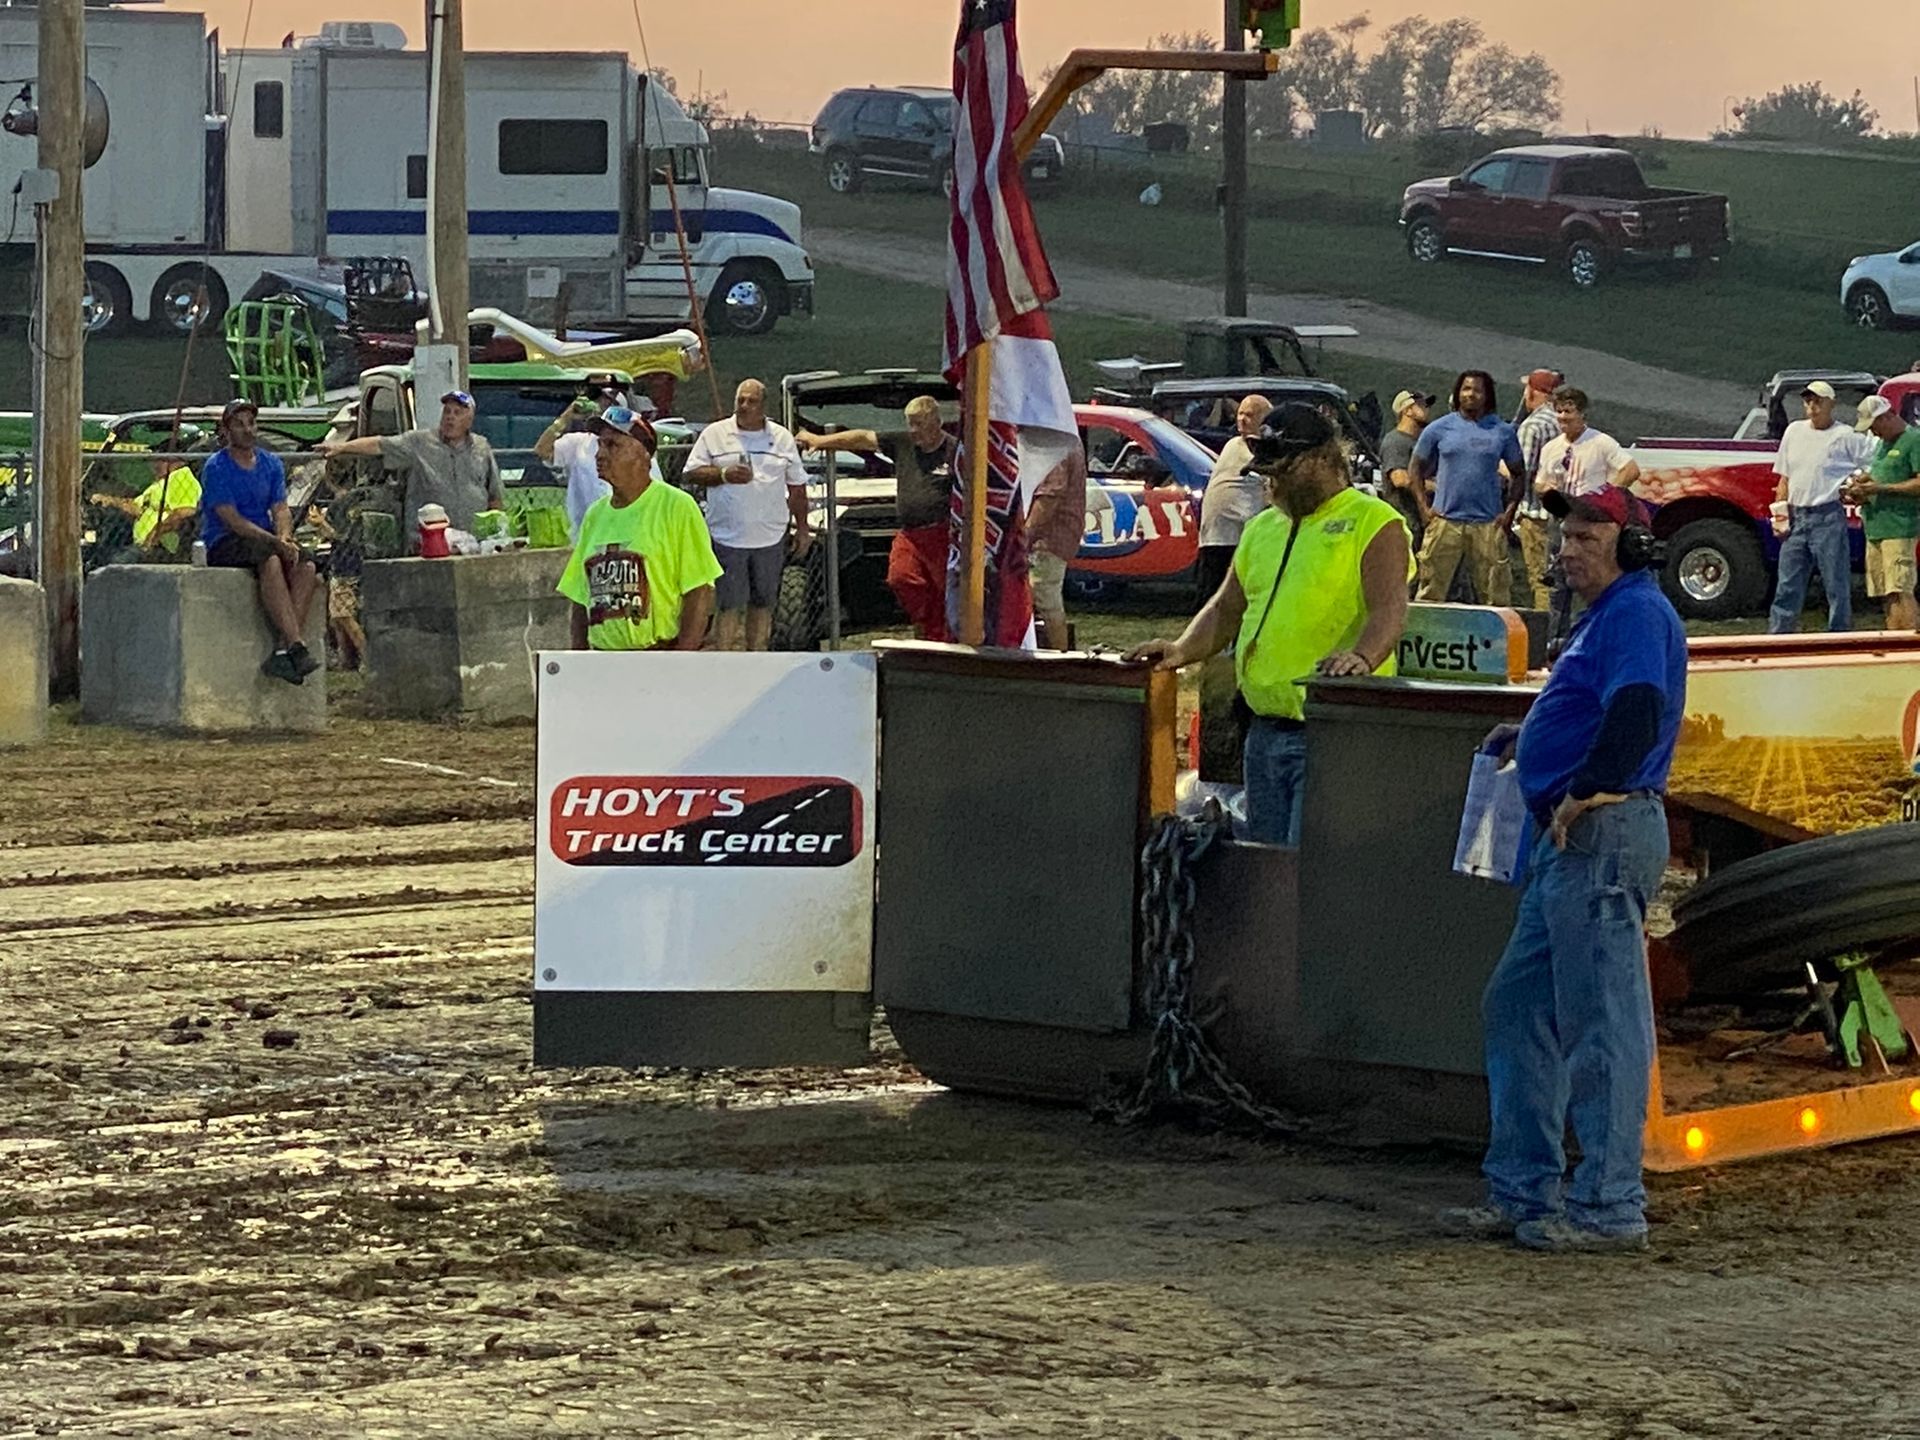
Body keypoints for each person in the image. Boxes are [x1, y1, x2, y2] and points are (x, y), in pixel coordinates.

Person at [1451, 484, 1685, 1254]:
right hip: (1572, 839)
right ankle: (1524, 1189)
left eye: (1588, 536)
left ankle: (1608, 1206)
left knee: (1602, 1024)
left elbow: (1637, 709)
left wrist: (1587, 785)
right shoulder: (1608, 617)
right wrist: (1535, 733)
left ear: (1633, 547)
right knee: (1517, 1006)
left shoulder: (1636, 613)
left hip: (1598, 835)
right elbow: (1601, 705)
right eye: (1567, 535)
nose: (1568, 548)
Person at [1126, 405, 1412, 846]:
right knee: (1265, 860)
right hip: (1262, 731)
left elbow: (1389, 608)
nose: (1271, 483)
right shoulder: (1262, 528)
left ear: (1323, 459)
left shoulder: (1375, 522)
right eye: (1265, 473)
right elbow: (1226, 608)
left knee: (1307, 862)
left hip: (1331, 732)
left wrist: (1362, 656)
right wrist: (1181, 649)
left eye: (1282, 471)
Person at [557, 406, 721, 652]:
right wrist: (578, 658)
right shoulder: (595, 514)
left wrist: (683, 656)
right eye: (600, 445)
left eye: (613, 445)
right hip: (603, 659)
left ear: (644, 456)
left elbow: (699, 590)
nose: (600, 455)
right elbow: (581, 597)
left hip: (658, 655)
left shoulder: (676, 506)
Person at [797, 396, 957, 641]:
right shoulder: (902, 443)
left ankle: (943, 636)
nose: (914, 430)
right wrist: (820, 440)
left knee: (945, 589)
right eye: (911, 424)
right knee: (900, 577)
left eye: (920, 424)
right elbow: (862, 438)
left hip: (942, 533)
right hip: (909, 534)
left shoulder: (955, 451)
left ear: (937, 422)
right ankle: (925, 624)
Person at [198, 398, 320, 685]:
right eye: (239, 424)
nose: (247, 430)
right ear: (226, 430)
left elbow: (280, 508)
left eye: (251, 423)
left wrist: (285, 537)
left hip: (265, 538)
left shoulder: (271, 463)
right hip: (225, 540)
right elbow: (232, 520)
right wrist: (275, 542)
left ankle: (283, 650)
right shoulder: (216, 467)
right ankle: (296, 645)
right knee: (271, 559)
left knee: (307, 566)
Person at [683, 379, 811, 651]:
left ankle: (757, 656)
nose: (744, 406)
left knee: (763, 603)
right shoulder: (715, 433)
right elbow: (691, 473)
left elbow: (797, 487)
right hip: (726, 537)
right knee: (728, 604)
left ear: (763, 405)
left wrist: (802, 528)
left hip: (771, 537)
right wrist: (723, 474)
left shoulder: (782, 438)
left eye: (751, 401)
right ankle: (724, 659)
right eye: (740, 400)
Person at [320, 391, 505, 552]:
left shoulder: (481, 448)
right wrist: (341, 447)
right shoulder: (419, 442)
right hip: (427, 542)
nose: (450, 417)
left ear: (469, 420)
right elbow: (379, 444)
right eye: (447, 411)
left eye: (457, 413)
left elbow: (495, 497)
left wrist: (495, 534)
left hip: (473, 544)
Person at [1409, 371, 1525, 605]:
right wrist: (1424, 509)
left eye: (1477, 390)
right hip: (1444, 521)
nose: (1471, 394)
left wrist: (1509, 513)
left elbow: (1519, 473)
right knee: (1430, 593)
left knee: (1494, 596)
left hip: (1488, 523)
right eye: (1466, 389)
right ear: (1458, 393)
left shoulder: (1502, 431)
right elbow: (1415, 468)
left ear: (1487, 395)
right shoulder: (1439, 428)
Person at [1768, 380, 1874, 634]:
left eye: (1818, 401)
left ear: (1831, 404)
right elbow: (1784, 478)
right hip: (1796, 516)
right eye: (1808, 401)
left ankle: (1839, 634)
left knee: (1835, 582)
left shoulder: (1845, 435)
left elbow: (1873, 461)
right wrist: (1780, 515)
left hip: (1827, 516)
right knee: (1787, 583)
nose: (1812, 406)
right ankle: (1779, 636)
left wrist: (1858, 484)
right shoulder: (1794, 431)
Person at [1844, 395, 1920, 633]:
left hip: (1899, 528)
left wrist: (1880, 488)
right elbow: (1880, 474)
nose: (1873, 433)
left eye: (1874, 426)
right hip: (1876, 527)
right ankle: (1893, 636)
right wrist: (1862, 485)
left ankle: (1910, 640)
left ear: (1886, 417)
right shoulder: (1882, 444)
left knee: (1900, 589)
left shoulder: (1913, 440)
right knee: (1885, 591)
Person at [535, 388, 655, 538]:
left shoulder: (636, 451)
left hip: (630, 533)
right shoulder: (578, 443)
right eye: (597, 400)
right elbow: (542, 449)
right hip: (585, 536)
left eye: (607, 402)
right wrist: (565, 417)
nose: (600, 405)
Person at [1194, 394, 1276, 604]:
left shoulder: (1260, 449)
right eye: (1240, 414)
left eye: (1249, 415)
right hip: (1220, 534)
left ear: (1265, 419)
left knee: (1225, 598)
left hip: (1236, 535)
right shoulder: (1236, 445)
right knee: (1213, 597)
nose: (1242, 419)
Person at [1511, 368, 1565, 612]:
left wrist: (1496, 463)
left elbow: (1521, 472)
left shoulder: (1532, 426)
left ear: (1532, 392)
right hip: (1561, 514)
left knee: (1541, 580)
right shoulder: (1564, 422)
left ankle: (1544, 628)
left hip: (1535, 514)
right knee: (1559, 580)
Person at [1025, 446, 1089, 650]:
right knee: (1040, 597)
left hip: (1048, 538)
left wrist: (1025, 534)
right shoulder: (1066, 441)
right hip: (1055, 535)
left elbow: (1050, 495)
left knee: (1045, 597)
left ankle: (1059, 658)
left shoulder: (1055, 445)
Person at [91, 454, 202, 561]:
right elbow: (136, 508)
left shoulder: (181, 478)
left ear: (174, 461)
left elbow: (184, 513)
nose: (154, 466)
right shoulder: (160, 484)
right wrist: (111, 501)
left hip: (161, 546)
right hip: (142, 544)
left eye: (159, 460)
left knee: (117, 562)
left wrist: (153, 535)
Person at [1377, 389, 1432, 565]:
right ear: (1407, 410)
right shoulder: (1395, 442)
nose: (1427, 409)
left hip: (1421, 522)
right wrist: (1436, 486)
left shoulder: (1419, 442)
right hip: (1406, 521)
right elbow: (1399, 479)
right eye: (1421, 405)